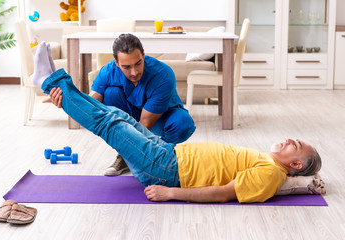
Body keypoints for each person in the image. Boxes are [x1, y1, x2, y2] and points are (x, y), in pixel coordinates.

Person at [32, 42, 322, 203]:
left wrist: (172, 193)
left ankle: (50, 81)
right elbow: (95, 99)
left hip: (167, 170)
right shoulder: (268, 164)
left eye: (294, 145)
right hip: (169, 155)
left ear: (295, 164)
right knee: (115, 115)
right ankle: (56, 84)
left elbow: (223, 194)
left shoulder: (270, 175)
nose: (288, 139)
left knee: (110, 124)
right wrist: (69, 101)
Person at [49, 33, 196, 176]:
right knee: (111, 93)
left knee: (182, 124)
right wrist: (68, 102)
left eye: (138, 63)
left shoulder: (162, 74)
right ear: (116, 63)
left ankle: (164, 155)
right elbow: (91, 105)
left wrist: (144, 156)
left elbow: (145, 124)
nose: (134, 72)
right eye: (126, 67)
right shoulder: (107, 71)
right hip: (130, 112)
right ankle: (125, 157)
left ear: (143, 55)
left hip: (161, 117)